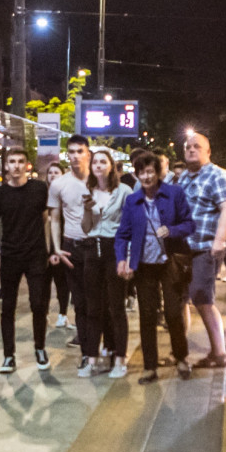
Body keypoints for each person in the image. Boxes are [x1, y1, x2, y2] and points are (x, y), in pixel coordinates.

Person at [116, 150, 193, 383]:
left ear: (158, 172)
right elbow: (123, 234)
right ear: (137, 175)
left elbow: (189, 224)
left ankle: (181, 357)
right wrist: (122, 258)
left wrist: (172, 230)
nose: (146, 176)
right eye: (142, 172)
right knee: (147, 315)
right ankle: (150, 366)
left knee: (173, 313)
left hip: (169, 262)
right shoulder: (133, 200)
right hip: (144, 265)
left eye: (150, 171)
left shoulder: (174, 193)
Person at [173, 131, 226, 370]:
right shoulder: (183, 178)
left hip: (204, 248)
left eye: (197, 146)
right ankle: (179, 351)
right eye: (188, 147)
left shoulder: (216, 174)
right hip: (181, 249)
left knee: (202, 297)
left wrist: (220, 240)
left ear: (208, 152)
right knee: (179, 300)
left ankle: (219, 353)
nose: (191, 149)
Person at [0, 150, 52, 374]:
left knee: (38, 303)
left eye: (20, 162)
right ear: (6, 166)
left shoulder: (39, 189)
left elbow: (45, 219)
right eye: (12, 162)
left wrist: (49, 250)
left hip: (36, 255)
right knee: (8, 307)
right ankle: (8, 355)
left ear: (27, 165)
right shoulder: (0, 194)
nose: (16, 166)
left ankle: (40, 348)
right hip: (11, 255)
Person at [48, 137, 102, 375]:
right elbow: (54, 218)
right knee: (79, 303)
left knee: (97, 302)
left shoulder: (101, 180)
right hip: (71, 246)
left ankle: (101, 347)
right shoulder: (59, 184)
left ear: (88, 154)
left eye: (80, 151)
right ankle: (87, 353)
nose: (76, 156)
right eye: (71, 152)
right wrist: (57, 248)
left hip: (97, 245)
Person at [87, 149, 132, 379]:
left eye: (103, 162)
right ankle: (91, 358)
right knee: (94, 307)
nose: (98, 165)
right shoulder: (87, 191)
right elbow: (85, 227)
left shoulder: (124, 191)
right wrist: (87, 209)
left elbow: (130, 225)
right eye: (95, 162)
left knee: (117, 307)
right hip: (92, 248)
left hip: (115, 248)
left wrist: (128, 258)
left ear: (111, 166)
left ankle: (120, 359)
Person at [44, 159, 74, 328]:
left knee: (62, 282)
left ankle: (62, 314)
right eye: (50, 172)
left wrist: (58, 249)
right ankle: (44, 314)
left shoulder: (66, 196)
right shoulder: (42, 195)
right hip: (43, 246)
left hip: (61, 246)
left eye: (56, 172)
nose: (53, 175)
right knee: (43, 283)